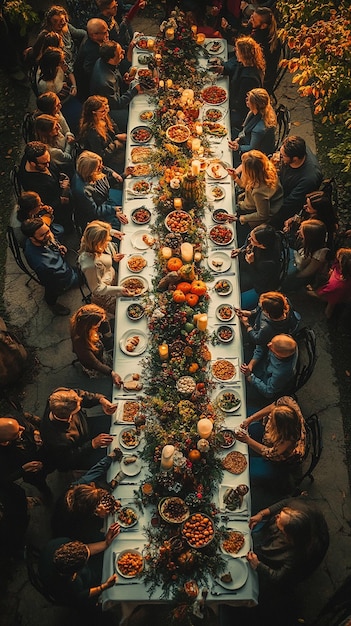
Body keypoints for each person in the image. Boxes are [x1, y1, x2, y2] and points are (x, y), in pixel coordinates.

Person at [247, 497, 329, 590]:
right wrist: (261, 514)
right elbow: (284, 502)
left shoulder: (296, 555)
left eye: (280, 519)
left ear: (286, 534)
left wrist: (258, 565)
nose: (276, 516)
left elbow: (278, 577)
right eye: (279, 514)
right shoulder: (297, 507)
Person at [38, 524, 120, 607]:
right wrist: (104, 586)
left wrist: (106, 543)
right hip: (65, 593)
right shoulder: (70, 587)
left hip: (44, 562)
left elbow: (86, 549)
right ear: (76, 572)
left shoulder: (60, 543)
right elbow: (82, 595)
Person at [236, 396, 306, 489]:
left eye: (272, 420)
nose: (269, 416)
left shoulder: (286, 442)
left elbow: (268, 453)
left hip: (278, 463)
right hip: (269, 440)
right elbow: (272, 406)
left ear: (279, 429)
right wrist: (251, 419)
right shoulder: (288, 402)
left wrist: (247, 440)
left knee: (244, 467)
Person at [40, 387, 117, 471]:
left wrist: (100, 400)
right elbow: (67, 459)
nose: (80, 405)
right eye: (78, 408)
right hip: (81, 453)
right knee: (112, 461)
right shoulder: (56, 439)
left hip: (85, 427)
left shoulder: (57, 397)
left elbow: (79, 394)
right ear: (70, 416)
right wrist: (92, 444)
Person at [52, 452, 121, 543]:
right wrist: (100, 516)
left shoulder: (78, 487)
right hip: (69, 533)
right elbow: (90, 538)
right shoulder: (79, 521)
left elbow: (96, 470)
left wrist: (110, 457)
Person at [21, 218, 78, 316]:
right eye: (43, 235)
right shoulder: (43, 264)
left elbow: (51, 237)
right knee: (52, 290)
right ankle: (52, 304)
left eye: (48, 231)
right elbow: (58, 278)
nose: (48, 235)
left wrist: (58, 246)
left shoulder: (41, 239)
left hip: (61, 270)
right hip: (57, 279)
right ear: (31, 238)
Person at [78, 220, 132, 315]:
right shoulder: (90, 265)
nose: (110, 240)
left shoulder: (89, 239)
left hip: (111, 276)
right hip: (105, 293)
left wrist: (111, 232)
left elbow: (92, 226)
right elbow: (97, 289)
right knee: (124, 311)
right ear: (98, 244)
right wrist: (119, 289)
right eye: (106, 240)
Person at [0, 400, 53, 497]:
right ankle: (46, 493)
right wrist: (23, 469)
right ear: (4, 442)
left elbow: (29, 421)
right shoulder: (3, 458)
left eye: (19, 426)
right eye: (17, 432)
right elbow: (4, 479)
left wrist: (36, 432)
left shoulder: (12, 421)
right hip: (32, 473)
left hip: (43, 454)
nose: (22, 429)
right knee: (40, 483)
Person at [90, 40, 142, 132]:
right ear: (111, 59)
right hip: (109, 110)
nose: (123, 52)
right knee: (137, 117)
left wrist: (123, 80)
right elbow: (117, 104)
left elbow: (116, 75)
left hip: (116, 97)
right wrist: (134, 90)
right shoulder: (105, 82)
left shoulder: (105, 62)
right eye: (120, 53)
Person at [271, 136, 323, 228]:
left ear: (295, 159)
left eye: (283, 156)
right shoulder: (299, 148)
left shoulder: (308, 179)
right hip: (282, 190)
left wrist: (269, 209)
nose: (280, 157)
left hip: (289, 206)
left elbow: (289, 203)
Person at [18, 141, 72, 229]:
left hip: (58, 186)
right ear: (32, 163)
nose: (48, 165)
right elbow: (47, 202)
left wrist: (61, 178)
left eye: (48, 160)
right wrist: (63, 199)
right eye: (44, 163)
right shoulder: (34, 184)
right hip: (56, 208)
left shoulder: (34, 157)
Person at [71, 150, 127, 229]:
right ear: (89, 170)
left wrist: (122, 175)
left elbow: (105, 183)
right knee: (125, 221)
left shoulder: (92, 173)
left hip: (106, 200)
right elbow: (94, 211)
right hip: (97, 214)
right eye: (98, 167)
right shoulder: (82, 190)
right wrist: (113, 210)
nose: (102, 168)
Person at [232, 224, 283, 308]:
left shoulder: (268, 262)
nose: (249, 239)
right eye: (250, 235)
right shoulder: (267, 237)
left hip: (262, 286)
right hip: (255, 269)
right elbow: (248, 244)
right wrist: (241, 250)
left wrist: (251, 263)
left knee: (237, 300)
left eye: (252, 239)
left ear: (262, 245)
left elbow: (260, 282)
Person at [70, 303, 122, 385]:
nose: (101, 323)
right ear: (90, 326)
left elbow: (104, 324)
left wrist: (105, 326)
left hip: (99, 350)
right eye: (99, 323)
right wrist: (112, 373)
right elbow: (95, 364)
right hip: (93, 364)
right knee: (108, 368)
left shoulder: (81, 322)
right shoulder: (81, 344)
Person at [231, 149, 283, 228]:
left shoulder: (259, 192)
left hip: (252, 211)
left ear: (251, 172)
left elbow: (262, 215)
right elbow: (246, 186)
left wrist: (242, 218)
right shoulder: (267, 169)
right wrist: (235, 177)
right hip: (249, 201)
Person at [240, 334, 298, 400]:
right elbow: (261, 346)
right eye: (271, 341)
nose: (268, 345)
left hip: (264, 382)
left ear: (278, 355)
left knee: (240, 392)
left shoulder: (281, 372)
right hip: (262, 365)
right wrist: (251, 365)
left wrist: (250, 376)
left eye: (271, 348)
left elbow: (269, 392)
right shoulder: (283, 340)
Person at [79, 95, 127, 172]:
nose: (105, 112)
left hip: (115, 150)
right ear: (93, 112)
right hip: (109, 160)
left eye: (106, 109)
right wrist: (116, 142)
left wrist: (117, 136)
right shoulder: (91, 132)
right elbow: (101, 155)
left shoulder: (102, 116)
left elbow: (114, 130)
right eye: (102, 111)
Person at [236, 291, 300, 347]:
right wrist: (249, 313)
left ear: (267, 313)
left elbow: (257, 339)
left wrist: (247, 325)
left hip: (263, 336)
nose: (259, 305)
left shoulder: (266, 329)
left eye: (262, 307)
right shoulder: (284, 302)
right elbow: (259, 309)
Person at [229, 88, 277, 162]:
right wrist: (238, 139)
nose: (246, 100)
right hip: (248, 138)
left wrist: (238, 147)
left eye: (249, 100)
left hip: (256, 156)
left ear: (255, 105)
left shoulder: (259, 128)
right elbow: (244, 130)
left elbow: (252, 148)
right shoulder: (260, 111)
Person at [228, 36, 265, 130]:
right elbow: (235, 68)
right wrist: (224, 69)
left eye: (237, 51)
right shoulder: (250, 64)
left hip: (242, 114)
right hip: (237, 103)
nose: (235, 51)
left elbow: (240, 104)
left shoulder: (248, 79)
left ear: (243, 55)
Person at [284, 219, 329, 292]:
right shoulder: (304, 242)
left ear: (310, 236)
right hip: (294, 266)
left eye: (302, 232)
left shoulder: (320, 253)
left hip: (301, 277)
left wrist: (291, 276)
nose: (298, 232)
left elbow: (307, 272)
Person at [74, 18, 110, 102]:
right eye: (105, 32)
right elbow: (88, 70)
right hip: (87, 87)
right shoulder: (92, 50)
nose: (108, 34)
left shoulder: (94, 39)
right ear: (94, 35)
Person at [247, 6, 280, 94]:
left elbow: (249, 61)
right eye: (252, 17)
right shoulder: (263, 30)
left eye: (254, 20)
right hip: (259, 72)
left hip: (261, 82)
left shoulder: (261, 40)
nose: (251, 20)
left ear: (263, 25)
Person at [316, 247, 351, 319]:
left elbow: (329, 309)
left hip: (331, 295)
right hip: (330, 289)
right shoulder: (338, 267)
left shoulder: (340, 285)